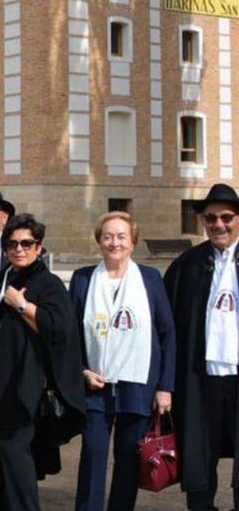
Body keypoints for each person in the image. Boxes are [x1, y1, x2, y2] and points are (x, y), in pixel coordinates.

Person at [71, 211, 175, 511]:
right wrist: (81, 371)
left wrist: (165, 386)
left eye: (121, 237)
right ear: (99, 241)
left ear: (133, 242)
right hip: (95, 383)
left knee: (129, 458)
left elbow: (167, 334)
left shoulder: (150, 278)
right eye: (107, 236)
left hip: (138, 383)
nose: (114, 243)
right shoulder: (82, 279)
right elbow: (70, 334)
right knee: (92, 454)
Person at [0, 213, 85, 511]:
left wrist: (23, 306)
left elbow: (60, 329)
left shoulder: (48, 282)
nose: (19, 249)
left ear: (39, 247)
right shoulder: (5, 276)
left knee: (14, 456)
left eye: (27, 243)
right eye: (12, 244)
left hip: (23, 385)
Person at [164, 182, 239, 511]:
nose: (219, 225)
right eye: (211, 219)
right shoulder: (187, 265)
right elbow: (165, 328)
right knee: (199, 456)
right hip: (199, 379)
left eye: (227, 217)